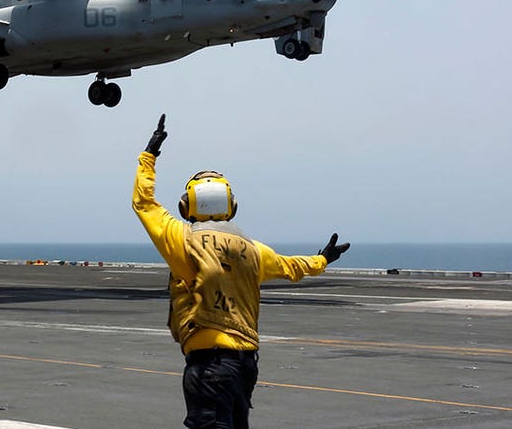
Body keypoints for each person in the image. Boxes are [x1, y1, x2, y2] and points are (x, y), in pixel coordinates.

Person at [133, 114, 350, 429]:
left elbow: (144, 203)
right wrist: (323, 259)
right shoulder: (252, 250)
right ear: (231, 206)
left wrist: (149, 156)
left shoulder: (182, 241)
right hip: (245, 365)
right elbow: (293, 267)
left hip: (209, 365)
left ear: (186, 207)